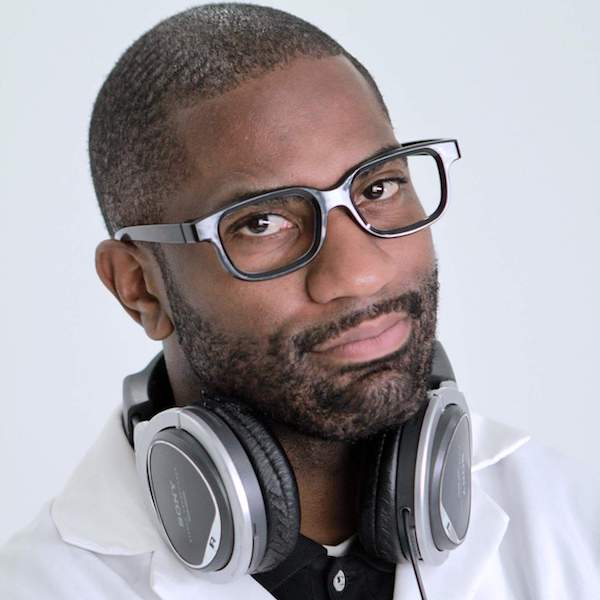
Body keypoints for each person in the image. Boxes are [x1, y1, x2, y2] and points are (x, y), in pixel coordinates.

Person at [1, 4, 598, 599]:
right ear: (139, 286)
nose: (359, 273)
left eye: (379, 186)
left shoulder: (569, 518)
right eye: (261, 222)